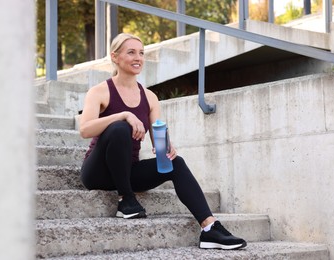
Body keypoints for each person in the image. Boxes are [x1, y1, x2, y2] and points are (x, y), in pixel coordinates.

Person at [79, 33, 247, 250]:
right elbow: (85, 129)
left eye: (141, 53)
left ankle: (209, 228)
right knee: (120, 127)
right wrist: (123, 115)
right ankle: (126, 199)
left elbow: (157, 133)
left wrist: (166, 147)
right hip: (98, 172)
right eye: (131, 52)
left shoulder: (149, 97)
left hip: (129, 171)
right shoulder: (100, 91)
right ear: (115, 57)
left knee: (176, 163)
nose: (138, 57)